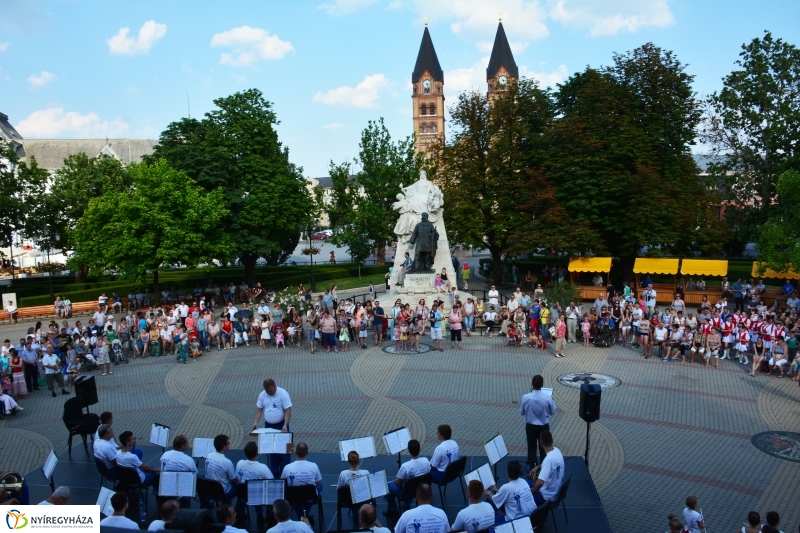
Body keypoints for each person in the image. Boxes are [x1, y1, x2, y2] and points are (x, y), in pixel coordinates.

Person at [252, 378, 293, 475]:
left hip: (281, 425)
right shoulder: (263, 394)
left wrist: (285, 425)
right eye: (267, 391)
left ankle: (285, 471)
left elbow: (288, 411)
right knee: (271, 449)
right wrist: (255, 422)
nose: (269, 393)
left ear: (275, 386)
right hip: (268, 425)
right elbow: (259, 410)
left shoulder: (283, 394)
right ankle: (274, 471)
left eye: (270, 391)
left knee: (286, 449)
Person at [385, 439, 431, 514]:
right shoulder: (426, 461)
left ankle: (393, 510)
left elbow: (399, 484)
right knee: (411, 482)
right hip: (421, 489)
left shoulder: (405, 466)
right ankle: (406, 504)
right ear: (419, 449)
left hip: (408, 492)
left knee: (387, 485)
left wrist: (395, 481)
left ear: (409, 451)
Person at [236, 441, 274, 528]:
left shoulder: (239, 463)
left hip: (244, 495)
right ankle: (265, 514)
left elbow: (238, 478)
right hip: (259, 495)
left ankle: (256, 514)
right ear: (257, 453)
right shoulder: (263, 467)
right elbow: (272, 482)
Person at [520, 375, 556, 466]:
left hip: (531, 427)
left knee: (532, 448)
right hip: (543, 427)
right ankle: (543, 468)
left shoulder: (526, 397)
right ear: (542, 385)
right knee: (544, 448)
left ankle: (533, 470)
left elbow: (522, 412)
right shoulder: (547, 398)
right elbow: (553, 411)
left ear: (532, 384)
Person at [280, 443, 323, 520]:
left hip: (292, 497)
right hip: (310, 497)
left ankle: (302, 515)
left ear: (295, 452)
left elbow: (283, 484)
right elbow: (317, 483)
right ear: (307, 453)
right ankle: (304, 516)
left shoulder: (287, 467)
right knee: (320, 486)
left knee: (297, 495)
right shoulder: (314, 466)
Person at [529, 431, 564, 506]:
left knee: (522, 490)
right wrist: (537, 467)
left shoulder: (548, 460)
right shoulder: (557, 451)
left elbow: (540, 482)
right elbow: (550, 465)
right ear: (552, 441)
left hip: (546, 496)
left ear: (541, 444)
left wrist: (532, 492)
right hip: (555, 491)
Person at [205, 434, 239, 506]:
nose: (229, 445)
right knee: (239, 487)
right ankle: (228, 507)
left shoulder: (209, 456)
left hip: (209, 489)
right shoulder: (227, 462)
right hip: (223, 492)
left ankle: (205, 503)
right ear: (224, 447)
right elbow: (233, 480)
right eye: (228, 443)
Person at [338, 451, 369, 527]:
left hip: (347, 501)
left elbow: (339, 489)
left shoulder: (343, 474)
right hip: (363, 500)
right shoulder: (366, 473)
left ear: (348, 461)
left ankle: (356, 515)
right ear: (359, 460)